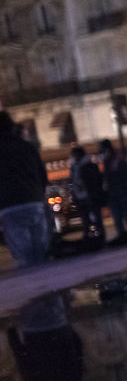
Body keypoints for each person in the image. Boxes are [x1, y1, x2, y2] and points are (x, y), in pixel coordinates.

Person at [0, 110, 54, 267]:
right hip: (33, 200)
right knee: (41, 248)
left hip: (8, 205)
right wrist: (39, 194)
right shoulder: (28, 147)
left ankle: (33, 276)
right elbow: (42, 175)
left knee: (23, 253)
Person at [99, 138, 127, 243]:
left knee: (125, 213)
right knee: (121, 213)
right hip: (117, 192)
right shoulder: (111, 159)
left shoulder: (114, 159)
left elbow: (122, 175)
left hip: (120, 192)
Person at [69, 145, 107, 243]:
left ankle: (99, 237)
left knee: (95, 217)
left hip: (90, 195)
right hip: (82, 196)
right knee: (86, 218)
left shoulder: (87, 165)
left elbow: (96, 181)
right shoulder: (75, 167)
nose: (74, 156)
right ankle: (89, 238)